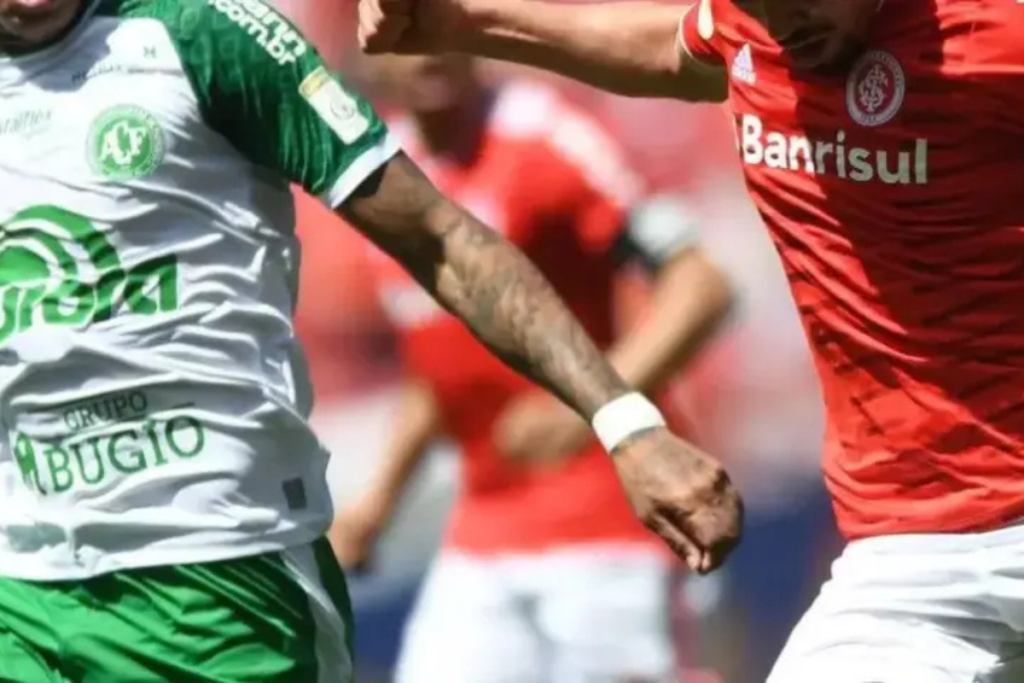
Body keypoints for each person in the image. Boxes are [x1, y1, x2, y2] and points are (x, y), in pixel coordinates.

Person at [0, 0, 745, 680]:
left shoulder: (200, 40)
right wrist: (382, 496)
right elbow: (439, 363)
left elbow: (684, 278)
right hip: (27, 584)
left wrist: (623, 420)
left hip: (221, 573)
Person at [356, 0, 1024, 681]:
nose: (782, 23)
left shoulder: (994, 34)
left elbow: (699, 285)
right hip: (908, 553)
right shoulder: (754, 30)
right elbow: (671, 48)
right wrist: (463, 21)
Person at [329, 52, 735, 683]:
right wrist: (377, 504)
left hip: (603, 524)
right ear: (368, 46)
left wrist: (598, 413)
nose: (426, 47)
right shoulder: (380, 179)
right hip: (483, 532)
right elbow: (434, 367)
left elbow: (701, 286)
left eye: (438, 14)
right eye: (403, 28)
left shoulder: (544, 136)